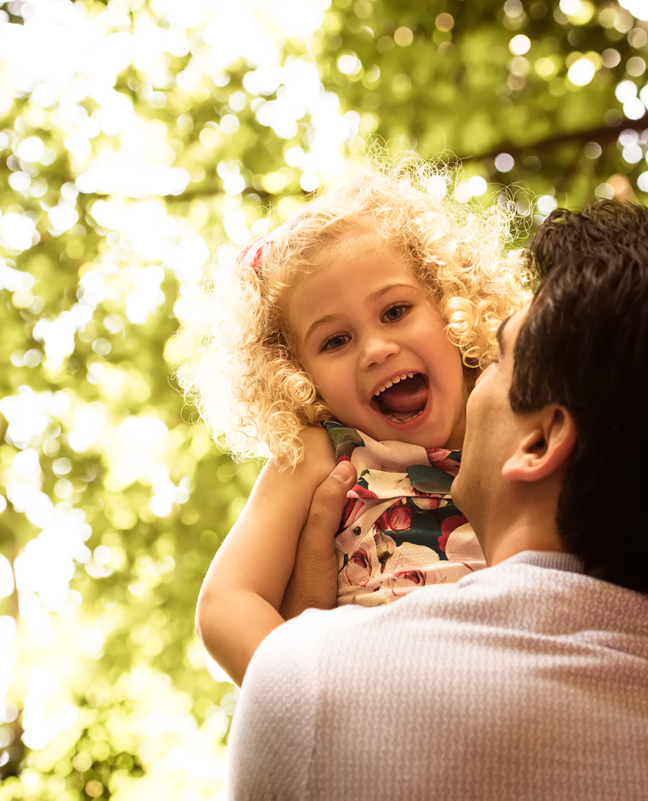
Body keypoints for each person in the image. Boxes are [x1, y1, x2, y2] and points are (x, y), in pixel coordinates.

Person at [227, 200, 648, 799]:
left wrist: (303, 664)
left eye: (494, 357)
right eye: (336, 339)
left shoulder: (316, 687)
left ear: (541, 439)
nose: (380, 347)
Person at [178, 165, 527, 685]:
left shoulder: (519, 414)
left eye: (395, 311)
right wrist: (309, 695)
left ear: (449, 302)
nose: (376, 349)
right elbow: (228, 603)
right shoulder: (324, 456)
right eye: (335, 341)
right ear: (299, 376)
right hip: (378, 709)